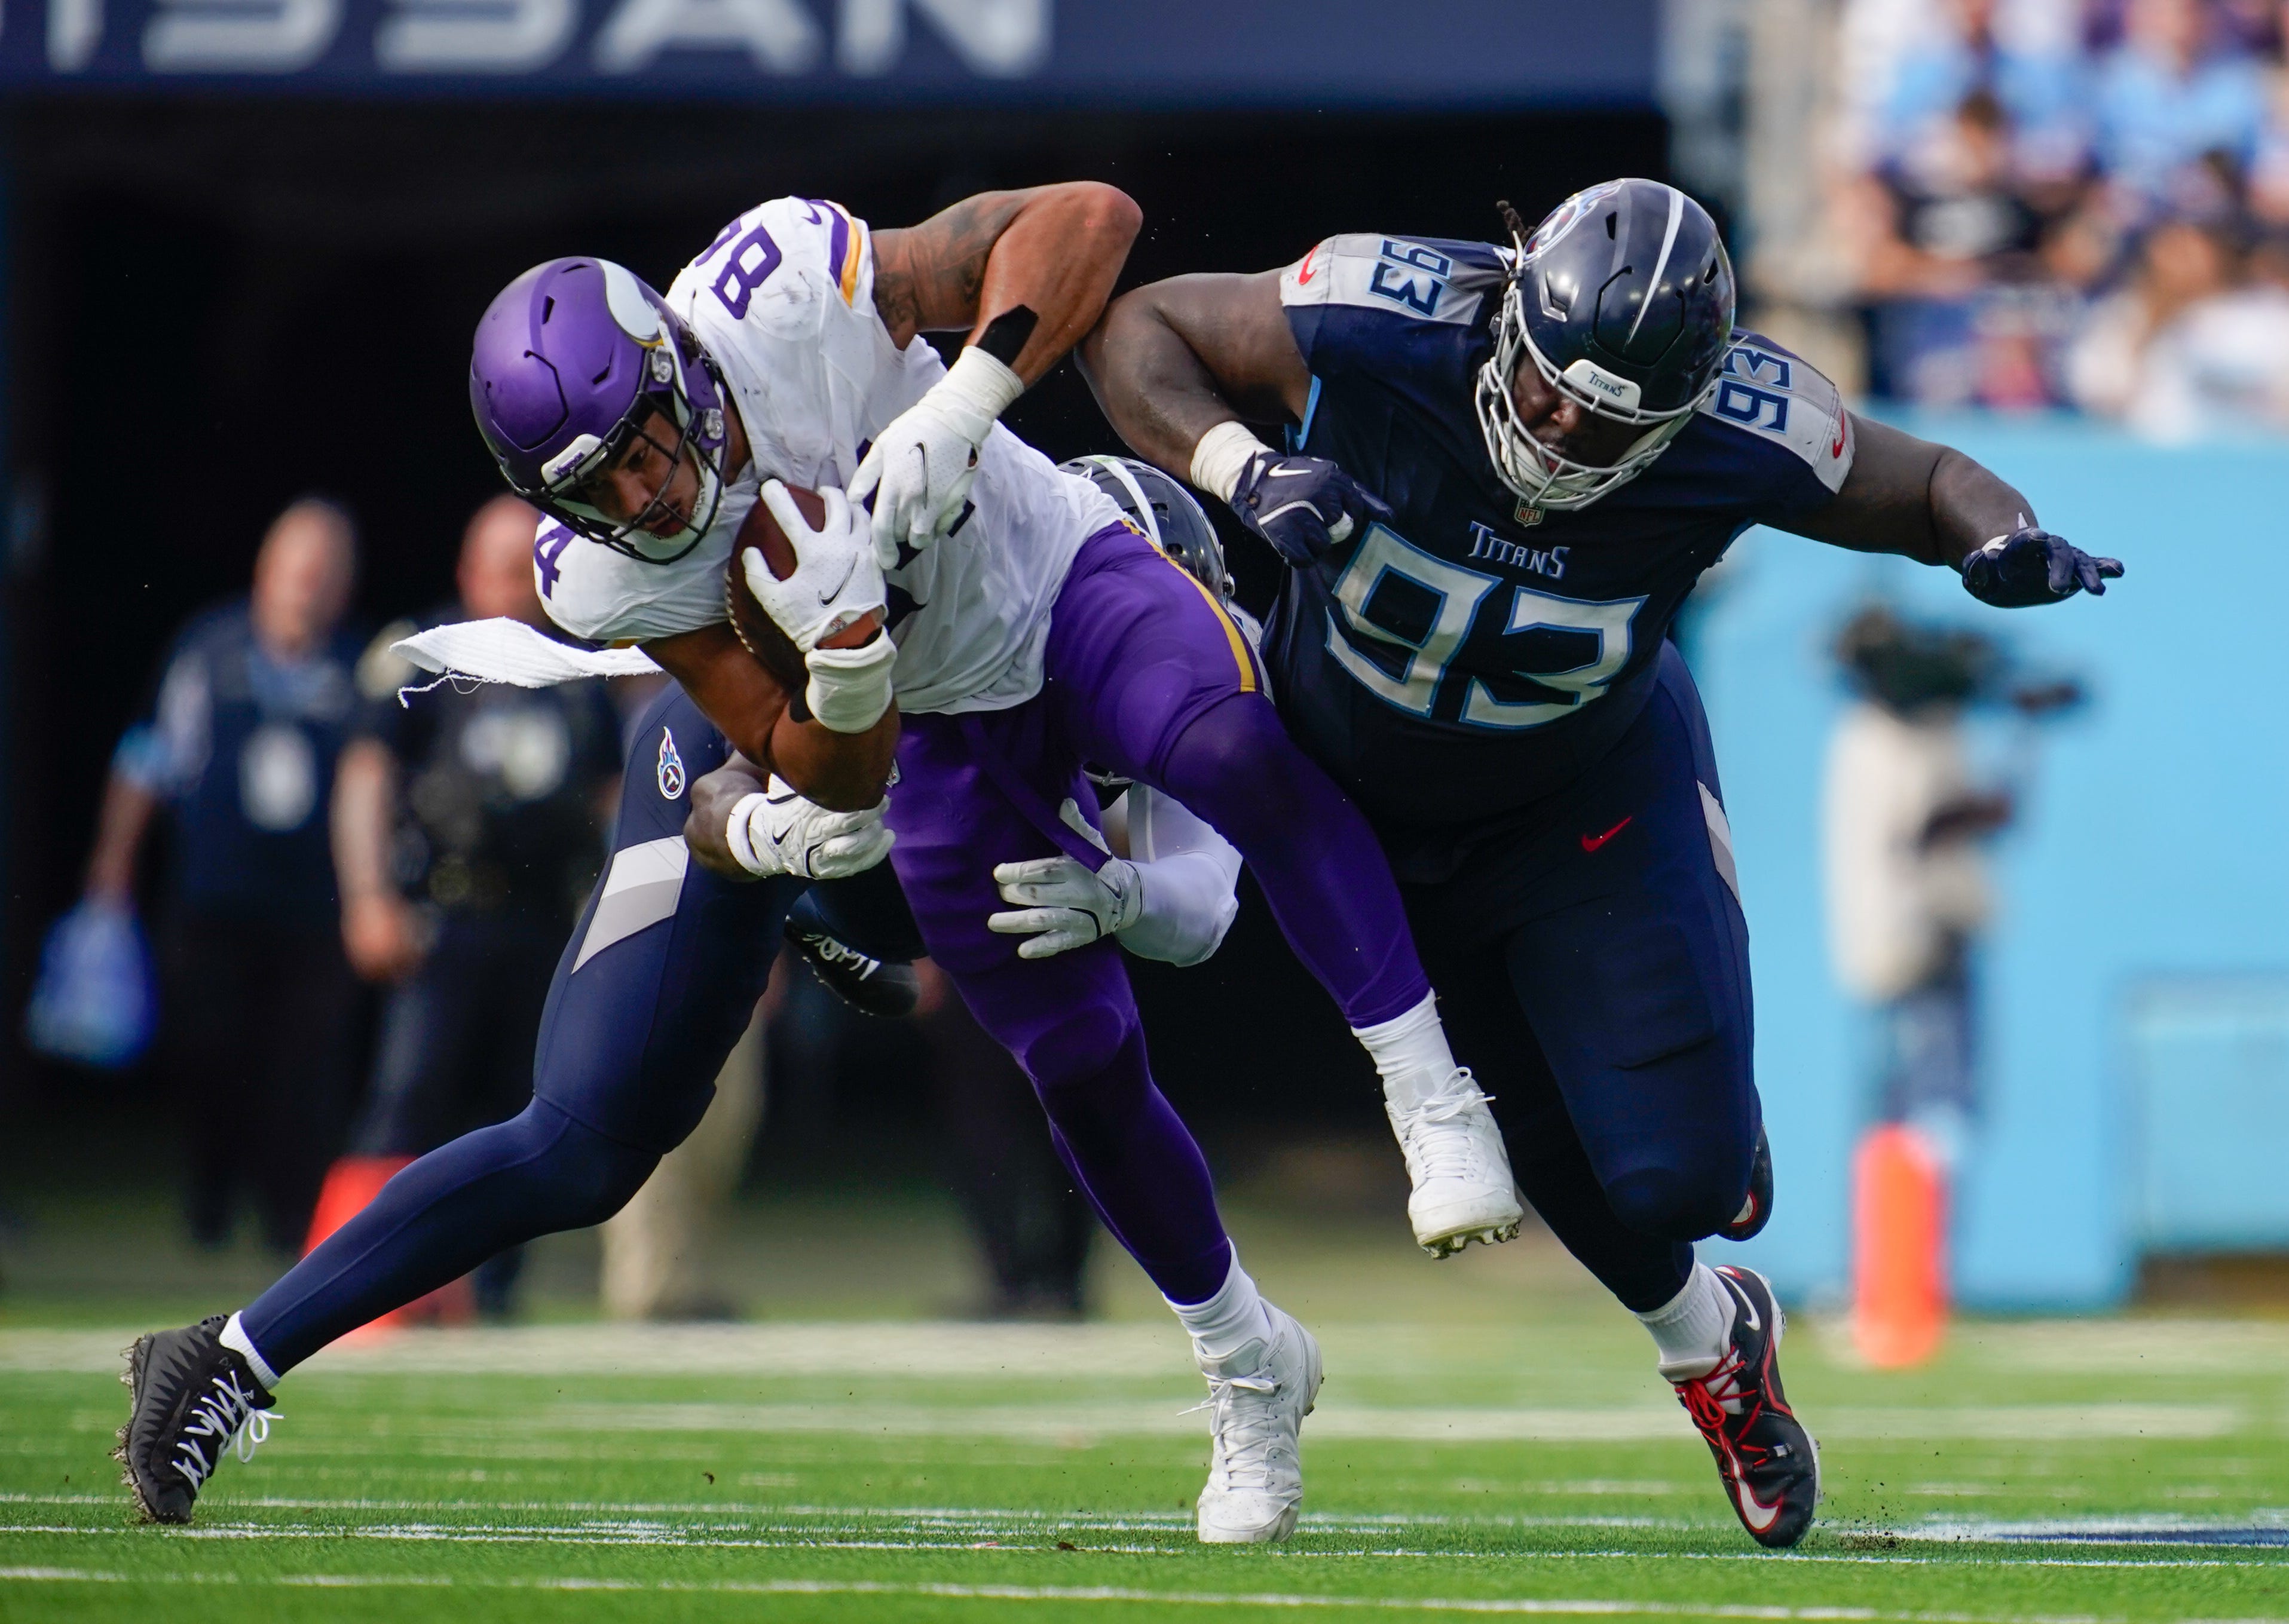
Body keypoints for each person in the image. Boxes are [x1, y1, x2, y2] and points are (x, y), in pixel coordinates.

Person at [1077, 176, 2125, 1548]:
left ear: (1686, 409)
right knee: (1523, 1136)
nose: (1564, 428)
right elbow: (1137, 326)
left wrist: (1993, 536)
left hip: (1585, 797)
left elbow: (1921, 479)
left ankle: (1707, 1229)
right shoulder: (1384, 321)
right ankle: (1708, 1350)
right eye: (1551, 387)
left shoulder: (1745, 423)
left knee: (1678, 1182)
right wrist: (1238, 464)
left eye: (1612, 419)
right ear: (1510, 313)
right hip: (1361, 813)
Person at [321, 494, 623, 1319]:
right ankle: (364, 1292)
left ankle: (491, 1293)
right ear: (464, 567)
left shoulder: (576, 666)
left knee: (523, 1110)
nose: (509, 581)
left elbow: (611, 798)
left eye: (525, 564)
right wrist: (367, 896)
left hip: (538, 922)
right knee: (406, 1095)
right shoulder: (419, 654)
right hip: (441, 916)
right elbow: (365, 778)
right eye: (495, 562)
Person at [79, 498, 363, 1255]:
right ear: (267, 570)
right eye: (300, 568)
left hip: (313, 905)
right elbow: (147, 757)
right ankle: (208, 1199)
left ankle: (288, 1221)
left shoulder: (355, 669)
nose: (312, 585)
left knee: (302, 1068)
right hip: (215, 896)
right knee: (213, 1052)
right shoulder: (208, 649)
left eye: (328, 572)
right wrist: (113, 861)